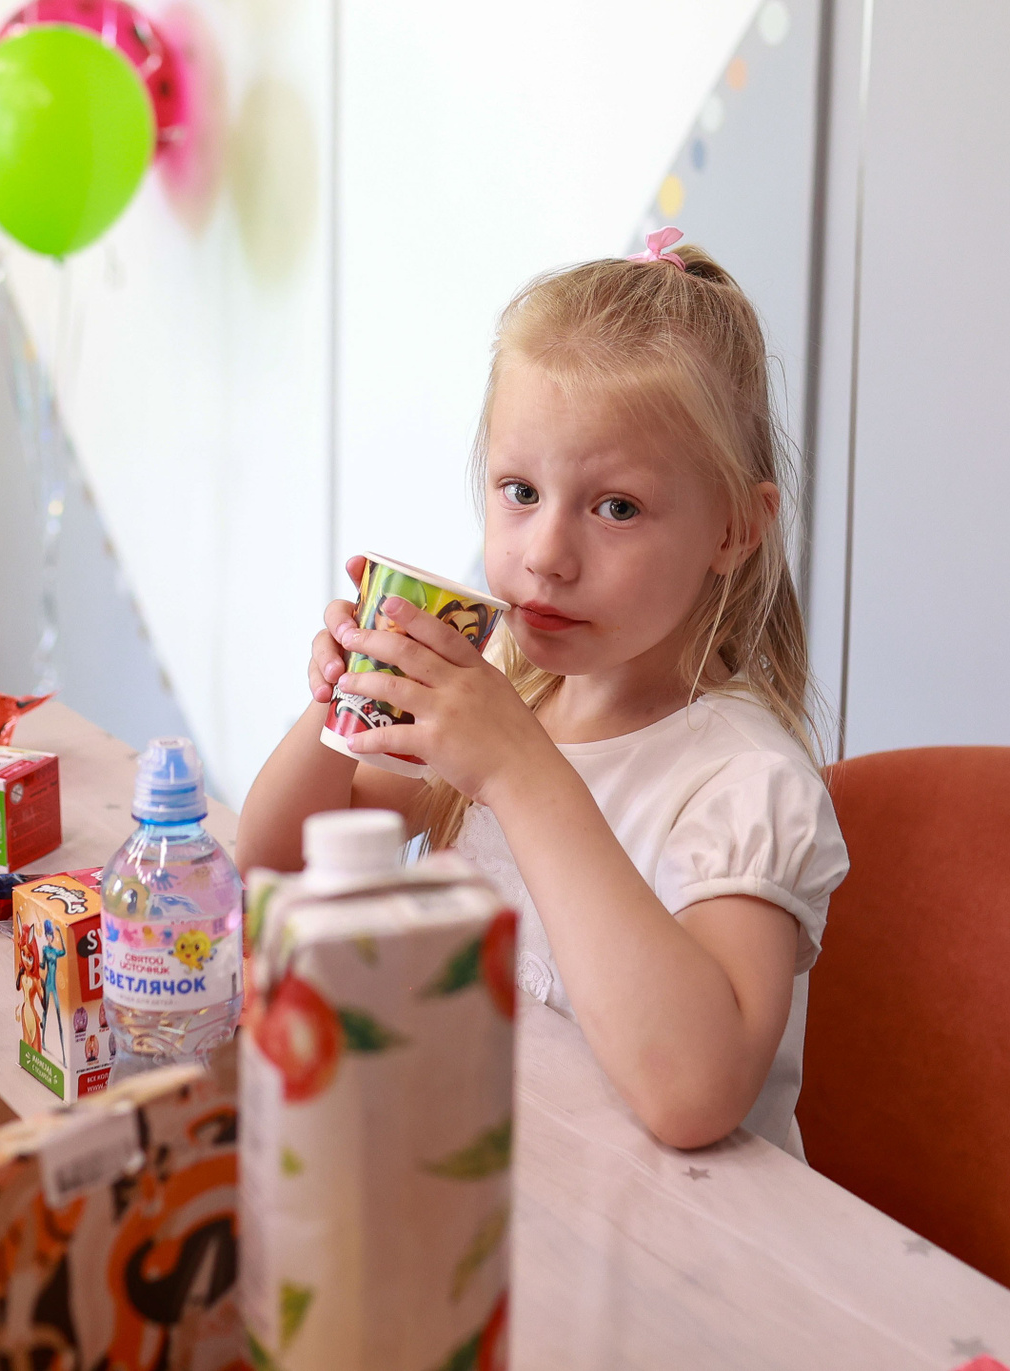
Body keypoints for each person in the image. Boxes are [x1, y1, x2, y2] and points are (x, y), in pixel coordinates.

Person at [239, 230, 848, 1159]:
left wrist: (517, 769)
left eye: (616, 507)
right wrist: (341, 700)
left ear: (734, 528)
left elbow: (694, 1093)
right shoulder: (500, 695)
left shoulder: (746, 784)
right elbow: (275, 860)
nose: (546, 555)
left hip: (673, 1230)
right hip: (479, 1168)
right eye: (520, 491)